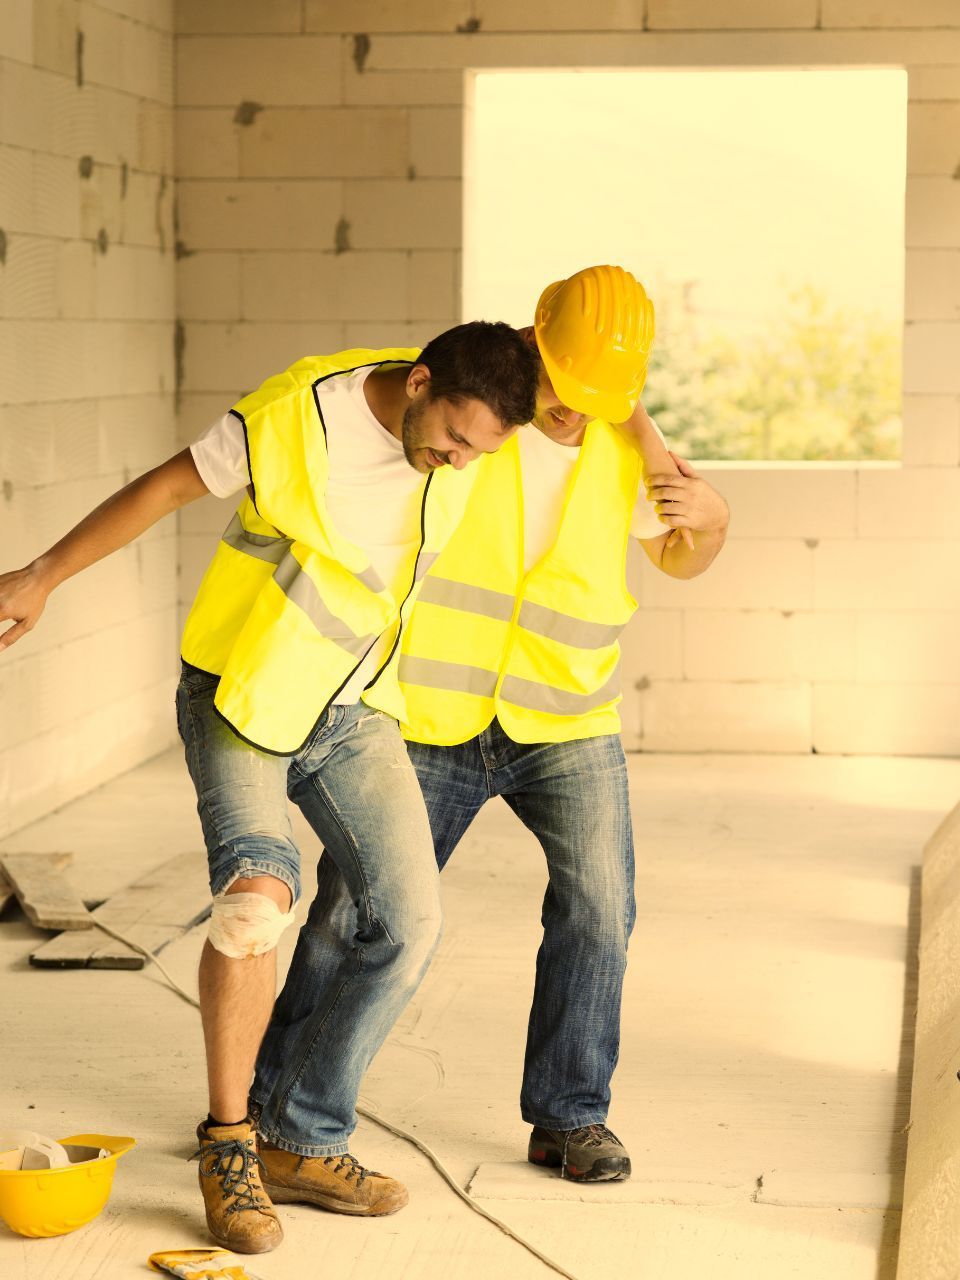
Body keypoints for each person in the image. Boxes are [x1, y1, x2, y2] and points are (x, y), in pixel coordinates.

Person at [0, 323, 539, 1253]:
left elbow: (556, 353)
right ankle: (229, 1145)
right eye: (456, 439)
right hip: (241, 691)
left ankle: (299, 1137)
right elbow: (166, 486)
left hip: (351, 705)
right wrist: (42, 576)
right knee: (256, 905)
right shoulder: (294, 420)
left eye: (477, 454)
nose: (459, 463)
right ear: (419, 382)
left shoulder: (462, 418)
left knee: (410, 921)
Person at [251, 266, 730, 1187]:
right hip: (432, 712)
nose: (572, 410)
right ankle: (272, 1106)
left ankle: (570, 1118)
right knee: (354, 912)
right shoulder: (470, 419)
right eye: (563, 383)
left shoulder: (624, 443)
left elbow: (682, 554)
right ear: (529, 341)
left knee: (600, 908)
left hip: (565, 715)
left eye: (598, 394)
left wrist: (713, 520)